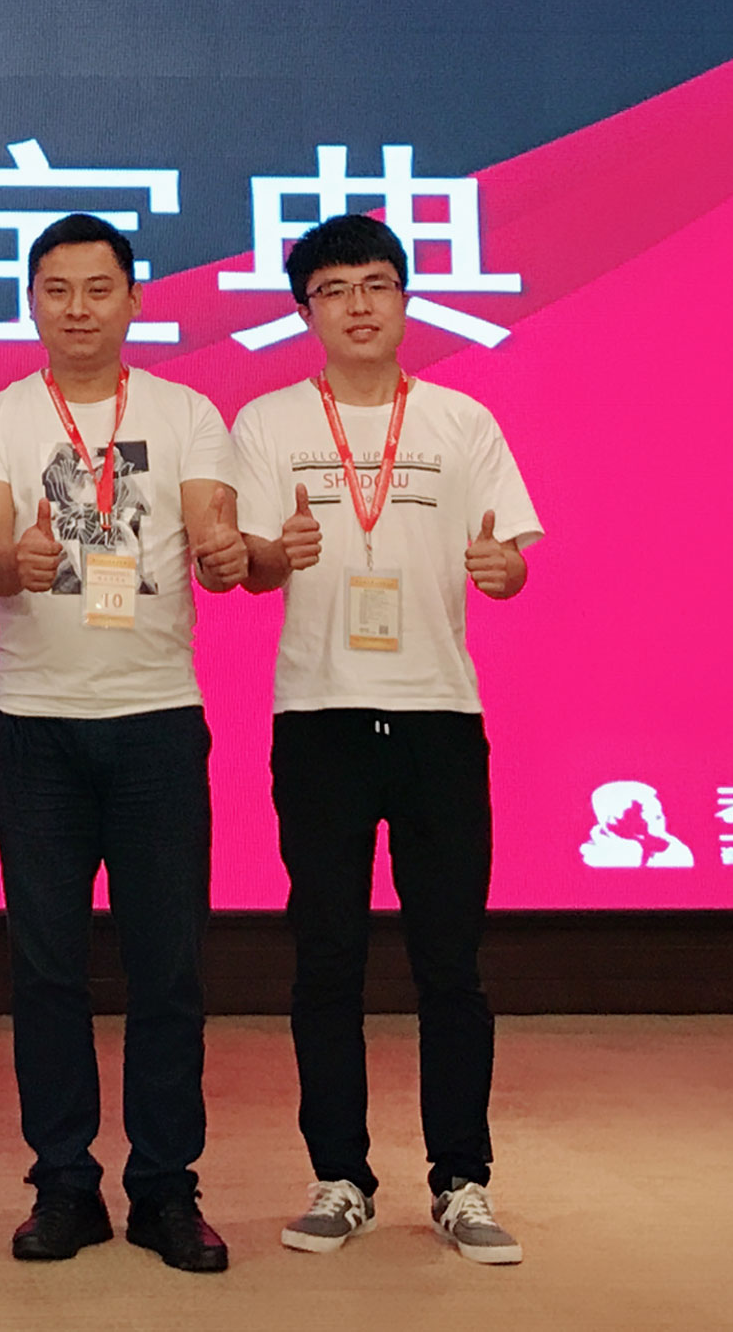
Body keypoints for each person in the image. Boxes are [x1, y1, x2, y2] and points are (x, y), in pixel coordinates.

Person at [217, 212, 543, 1270]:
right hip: (320, 718)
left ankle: (462, 1179)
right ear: (304, 309)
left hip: (441, 717)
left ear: (404, 297)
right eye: (334, 288)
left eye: (376, 283)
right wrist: (276, 552)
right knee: (327, 957)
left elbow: (511, 557)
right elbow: (252, 566)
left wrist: (504, 572)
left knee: (451, 961)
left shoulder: (460, 420)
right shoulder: (268, 421)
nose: (358, 305)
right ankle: (341, 1176)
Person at [0, 214, 237, 1273]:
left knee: (168, 968)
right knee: (47, 968)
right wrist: (10, 562)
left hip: (158, 719)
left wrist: (222, 552)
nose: (77, 307)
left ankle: (165, 1186)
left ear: (133, 298)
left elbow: (211, 527)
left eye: (98, 287)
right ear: (31, 301)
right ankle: (64, 1182)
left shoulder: (186, 409)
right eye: (57, 289)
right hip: (34, 725)